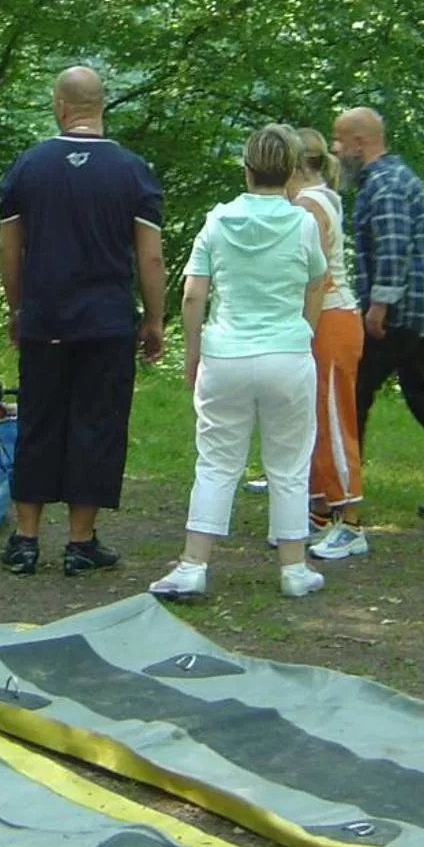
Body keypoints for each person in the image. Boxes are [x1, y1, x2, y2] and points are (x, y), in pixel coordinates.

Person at [0, 67, 166, 578]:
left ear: (60, 106)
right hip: (106, 321)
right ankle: (79, 541)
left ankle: (25, 539)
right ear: (101, 105)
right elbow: (150, 257)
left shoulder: (28, 167)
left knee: (37, 421)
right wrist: (154, 319)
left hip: (44, 317)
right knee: (98, 423)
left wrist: (17, 308)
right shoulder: (132, 171)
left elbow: (9, 247)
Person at [150, 126, 326, 603]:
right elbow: (317, 281)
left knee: (216, 461)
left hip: (225, 354)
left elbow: (193, 294)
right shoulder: (303, 223)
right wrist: (304, 332)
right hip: (286, 355)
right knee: (289, 464)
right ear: (291, 173)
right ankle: (294, 568)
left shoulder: (218, 221)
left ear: (246, 170)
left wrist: (193, 354)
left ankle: (193, 566)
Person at [331, 106, 424, 518]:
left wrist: (379, 305)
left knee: (352, 394)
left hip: (397, 313)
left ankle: (339, 491)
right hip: (414, 312)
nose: (334, 149)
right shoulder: (391, 178)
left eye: (339, 140)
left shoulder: (385, 184)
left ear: (361, 143)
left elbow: (393, 246)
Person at [290, 126, 366, 560]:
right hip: (325, 320)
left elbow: (313, 278)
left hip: (329, 321)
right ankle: (320, 509)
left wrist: (301, 329)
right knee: (314, 417)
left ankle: (351, 523)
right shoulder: (320, 197)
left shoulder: (308, 205)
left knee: (335, 421)